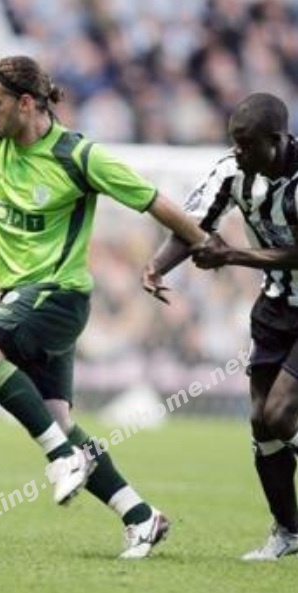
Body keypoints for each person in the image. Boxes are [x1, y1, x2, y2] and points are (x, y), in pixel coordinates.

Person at [0, 44, 206, 559]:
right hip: (26, 299)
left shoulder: (78, 156)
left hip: (59, 296)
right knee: (59, 421)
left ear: (27, 104)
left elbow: (153, 200)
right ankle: (140, 516)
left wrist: (201, 245)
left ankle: (63, 459)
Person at [143, 92, 298, 561]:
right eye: (235, 141)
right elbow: (193, 225)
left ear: (277, 140)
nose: (238, 151)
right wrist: (157, 266)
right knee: (261, 423)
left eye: (247, 144)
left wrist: (232, 254)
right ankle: (289, 533)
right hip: (275, 307)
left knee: (280, 413)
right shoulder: (231, 171)